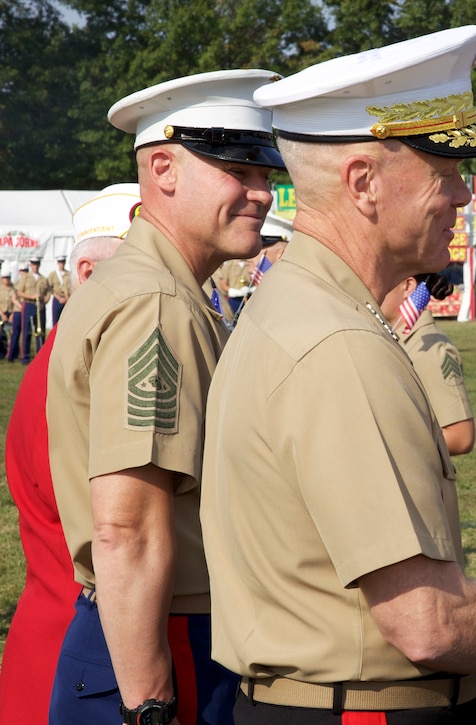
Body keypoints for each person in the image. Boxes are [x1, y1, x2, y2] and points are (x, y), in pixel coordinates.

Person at [200, 26, 476, 725]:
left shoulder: (294, 309)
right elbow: (426, 621)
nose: (462, 197)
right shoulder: (340, 343)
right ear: (364, 183)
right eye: (444, 173)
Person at [47, 69, 285, 725]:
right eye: (240, 169)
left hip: (148, 632)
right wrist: (151, 707)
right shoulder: (156, 301)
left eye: (266, 173)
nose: (263, 192)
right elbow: (128, 530)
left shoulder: (159, 288)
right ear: (164, 168)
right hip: (159, 644)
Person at [0, 184, 136, 725]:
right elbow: (117, 531)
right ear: (86, 275)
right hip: (84, 659)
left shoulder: (73, 364)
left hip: (70, 644)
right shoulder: (76, 377)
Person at [381, 273, 476, 455]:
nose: (370, 289)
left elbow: (460, 437)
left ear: (408, 286)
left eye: (381, 280)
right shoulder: (403, 341)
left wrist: (386, 448)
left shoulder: (428, 351)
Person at [14, 257, 49, 362]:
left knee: (40, 331)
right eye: (33, 264)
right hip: (29, 304)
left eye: (37, 263)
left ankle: (40, 355)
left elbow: (48, 293)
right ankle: (25, 356)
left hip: (39, 305)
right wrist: (31, 296)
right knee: (27, 331)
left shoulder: (43, 279)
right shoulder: (26, 277)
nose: (35, 266)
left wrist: (44, 301)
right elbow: (19, 292)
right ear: (30, 265)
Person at [5, 264, 25, 362]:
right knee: (15, 333)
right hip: (18, 310)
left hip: (24, 310)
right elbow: (13, 299)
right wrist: (21, 307)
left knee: (25, 334)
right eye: (22, 271)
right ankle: (11, 355)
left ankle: (21, 354)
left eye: (25, 271)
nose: (24, 273)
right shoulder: (15, 284)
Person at [47, 256, 72, 324]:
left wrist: (67, 299)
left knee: (66, 321)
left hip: (67, 298)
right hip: (57, 299)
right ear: (58, 263)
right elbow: (49, 288)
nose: (61, 264)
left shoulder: (69, 274)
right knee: (56, 320)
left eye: (63, 262)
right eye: (60, 262)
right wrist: (58, 298)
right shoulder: (53, 274)